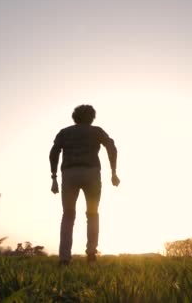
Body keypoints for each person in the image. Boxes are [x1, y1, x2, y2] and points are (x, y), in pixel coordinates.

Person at [49, 104, 120, 265]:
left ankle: (64, 258)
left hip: (69, 174)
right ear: (92, 117)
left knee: (68, 215)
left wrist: (53, 177)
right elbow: (111, 146)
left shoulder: (64, 132)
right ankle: (91, 255)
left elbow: (54, 152)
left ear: (75, 117)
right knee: (93, 214)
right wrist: (113, 172)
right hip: (91, 174)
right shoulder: (97, 131)